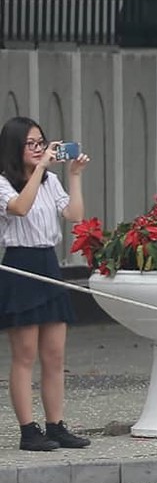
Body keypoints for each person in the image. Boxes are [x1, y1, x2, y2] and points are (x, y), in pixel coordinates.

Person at [0, 119, 90, 452]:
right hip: (20, 265)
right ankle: (28, 430)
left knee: (54, 354)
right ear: (14, 148)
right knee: (24, 355)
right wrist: (39, 170)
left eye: (42, 142)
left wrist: (75, 178)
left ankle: (56, 424)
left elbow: (74, 215)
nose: (39, 149)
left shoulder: (50, 180)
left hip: (48, 263)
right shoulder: (3, 183)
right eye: (31, 144)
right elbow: (20, 208)